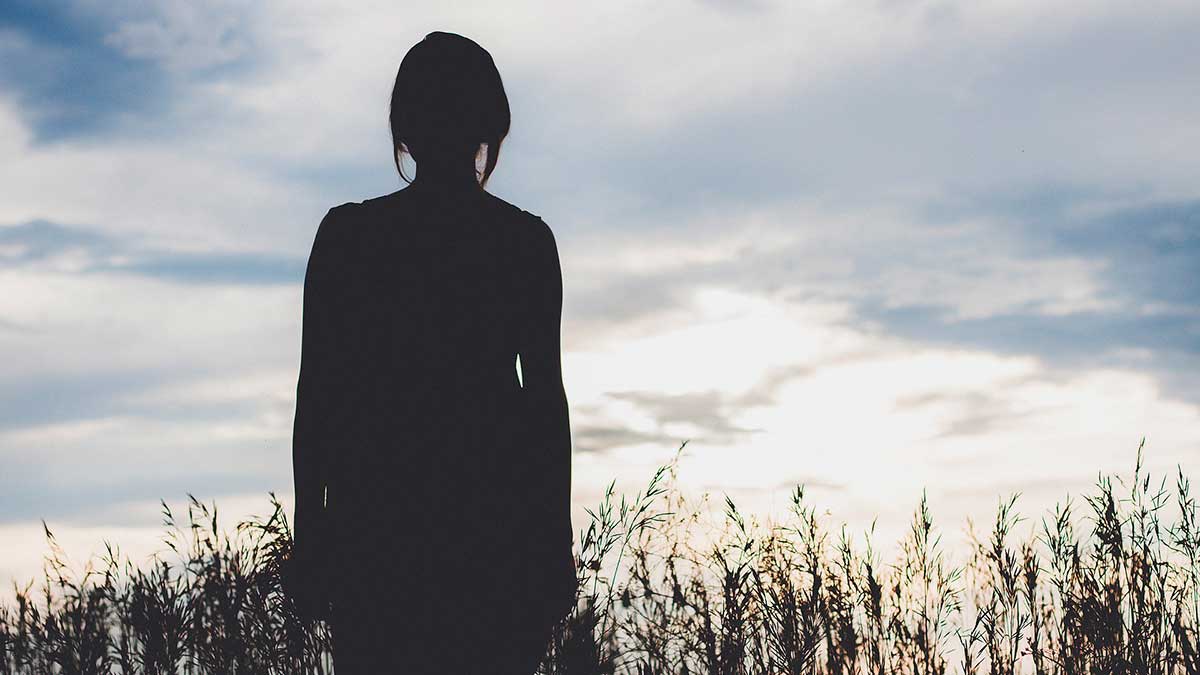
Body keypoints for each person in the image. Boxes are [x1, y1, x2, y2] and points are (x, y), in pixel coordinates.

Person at [287, 31, 576, 674]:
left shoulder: (348, 238)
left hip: (381, 540)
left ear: (404, 127)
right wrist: (553, 540)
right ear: (490, 127)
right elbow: (544, 405)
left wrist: (313, 535)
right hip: (490, 541)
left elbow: (320, 402)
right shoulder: (524, 243)